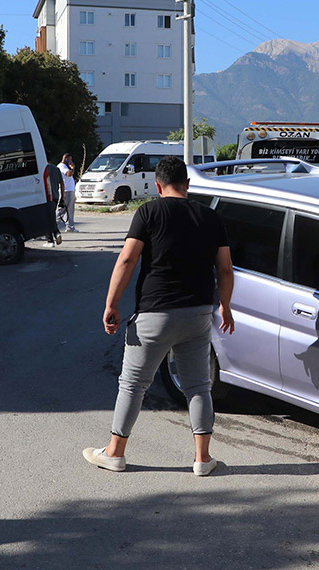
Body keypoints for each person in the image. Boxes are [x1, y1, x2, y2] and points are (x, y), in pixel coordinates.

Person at [83, 156, 235, 476]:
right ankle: (203, 459)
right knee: (198, 386)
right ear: (188, 185)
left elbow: (127, 260)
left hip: (155, 313)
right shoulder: (211, 217)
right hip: (197, 314)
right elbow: (224, 268)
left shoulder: (148, 212)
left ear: (157, 185)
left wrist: (111, 304)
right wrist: (226, 305)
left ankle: (115, 452)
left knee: (133, 385)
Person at [43, 158, 64, 246]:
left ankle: (50, 240)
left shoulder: (43, 168)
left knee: (45, 218)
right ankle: (56, 233)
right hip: (55, 196)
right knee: (51, 216)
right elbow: (62, 184)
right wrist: (62, 198)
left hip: (45, 196)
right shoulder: (56, 169)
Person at [58, 153, 78, 232]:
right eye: (70, 159)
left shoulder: (65, 166)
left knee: (70, 209)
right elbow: (69, 174)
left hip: (70, 190)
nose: (71, 161)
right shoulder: (62, 166)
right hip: (65, 191)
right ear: (66, 159)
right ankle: (52, 226)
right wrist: (72, 168)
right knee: (62, 210)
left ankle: (70, 226)